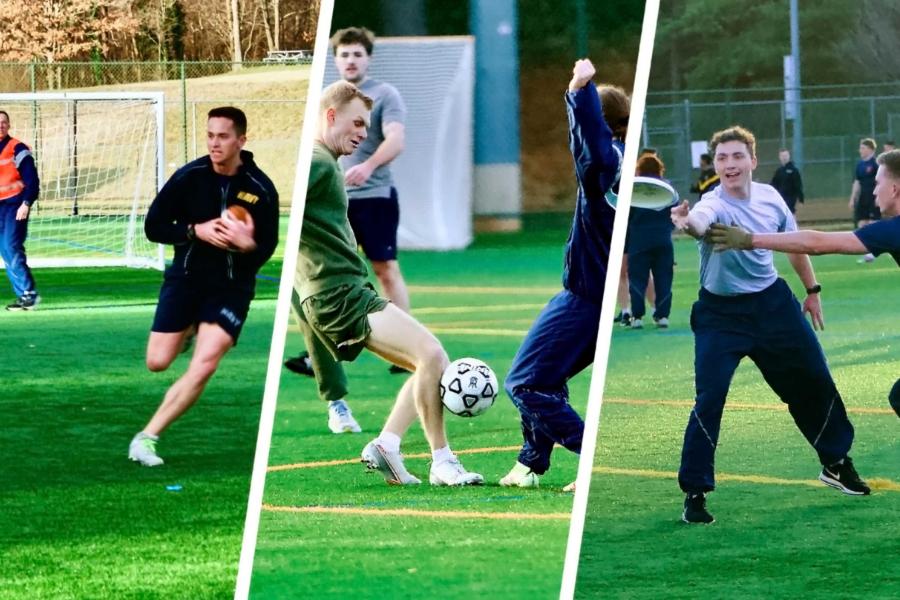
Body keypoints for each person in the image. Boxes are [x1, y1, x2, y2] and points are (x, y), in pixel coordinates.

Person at [669, 125, 869, 524]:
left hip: (774, 306)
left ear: (753, 161)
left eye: (737, 156)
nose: (729, 164)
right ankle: (695, 492)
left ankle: (836, 463)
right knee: (709, 400)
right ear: (715, 164)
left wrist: (812, 290)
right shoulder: (712, 204)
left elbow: (794, 243)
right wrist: (685, 221)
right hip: (720, 316)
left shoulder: (771, 197)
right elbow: (697, 224)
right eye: (722, 158)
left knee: (814, 378)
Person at [298, 80, 481, 486]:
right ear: (331, 116)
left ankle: (388, 446)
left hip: (341, 291)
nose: (365, 133)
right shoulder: (316, 161)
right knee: (432, 354)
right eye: (358, 123)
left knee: (428, 363)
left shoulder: (327, 160)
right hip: (338, 294)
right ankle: (443, 462)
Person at [499, 59, 627, 489]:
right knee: (546, 379)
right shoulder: (626, 165)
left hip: (585, 298)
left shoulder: (605, 169)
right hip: (596, 298)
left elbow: (590, 145)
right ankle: (529, 465)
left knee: (524, 382)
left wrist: (579, 90)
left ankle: (589, 457)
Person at [128, 107, 279, 467]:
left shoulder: (260, 188)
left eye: (223, 136)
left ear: (241, 140)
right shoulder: (189, 177)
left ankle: (146, 438)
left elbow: (268, 246)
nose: (214, 143)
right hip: (186, 280)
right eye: (210, 135)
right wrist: (195, 230)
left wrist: (248, 246)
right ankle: (193, 325)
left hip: (231, 288)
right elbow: (154, 227)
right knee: (157, 361)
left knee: (205, 364)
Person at [709, 148, 900, 418]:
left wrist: (750, 239)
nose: (873, 190)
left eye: (878, 183)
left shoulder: (893, 230)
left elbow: (817, 244)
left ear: (894, 189)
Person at [626, 153, 675, 329]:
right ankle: (662, 316)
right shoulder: (668, 188)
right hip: (663, 240)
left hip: (639, 241)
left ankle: (637, 317)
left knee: (638, 278)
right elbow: (675, 213)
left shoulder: (633, 188)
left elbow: (627, 218)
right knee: (664, 278)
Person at [0, 110, 40, 310]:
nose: (1, 125)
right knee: (5, 251)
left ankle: (29, 293)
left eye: (4, 122)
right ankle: (23, 295)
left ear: (9, 125)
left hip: (15, 205)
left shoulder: (17, 148)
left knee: (11, 246)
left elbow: (32, 180)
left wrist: (26, 203)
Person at [849, 138, 879, 263]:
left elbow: (880, 181)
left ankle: (873, 252)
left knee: (873, 223)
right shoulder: (860, 165)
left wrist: (879, 197)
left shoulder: (876, 163)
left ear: (870, 149)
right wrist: (852, 198)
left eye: (862, 148)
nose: (860, 150)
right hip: (863, 198)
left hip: (873, 197)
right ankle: (865, 251)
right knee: (861, 224)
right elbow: (857, 182)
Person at [770, 148, 804, 214]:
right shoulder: (779, 171)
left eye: (786, 156)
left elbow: (798, 185)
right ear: (779, 157)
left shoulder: (794, 170)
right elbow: (773, 184)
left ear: (789, 156)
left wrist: (801, 199)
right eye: (782, 156)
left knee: (790, 213)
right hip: (780, 198)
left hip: (791, 198)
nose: (784, 158)